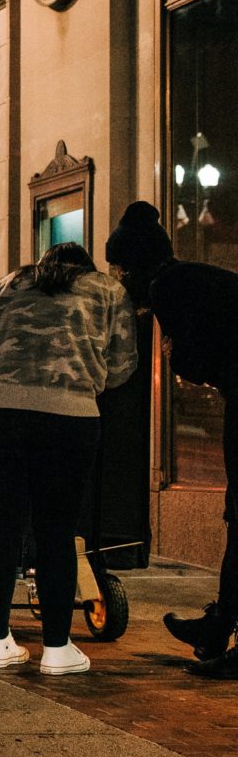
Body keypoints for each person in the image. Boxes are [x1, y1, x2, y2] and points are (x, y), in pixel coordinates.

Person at [0, 242, 137, 675]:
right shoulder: (108, 290)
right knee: (56, 532)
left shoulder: (10, 282)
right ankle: (57, 650)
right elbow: (122, 366)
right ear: (87, 267)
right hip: (66, 416)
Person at [105, 200, 238, 677]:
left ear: (137, 263)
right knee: (236, 518)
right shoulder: (195, 277)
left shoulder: (167, 288)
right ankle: (218, 625)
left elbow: (195, 360)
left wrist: (173, 351)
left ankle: (224, 632)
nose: (120, 279)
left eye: (121, 269)